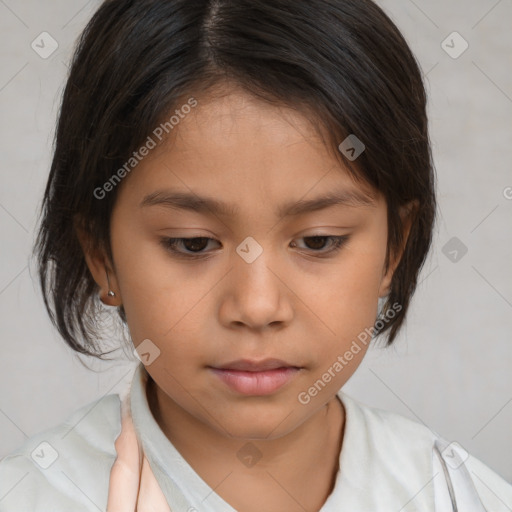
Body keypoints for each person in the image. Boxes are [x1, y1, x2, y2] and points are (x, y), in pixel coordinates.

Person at [1, 0, 511, 510]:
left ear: (393, 248)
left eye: (318, 241)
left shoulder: (461, 496)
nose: (257, 306)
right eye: (193, 243)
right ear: (102, 256)